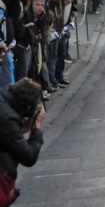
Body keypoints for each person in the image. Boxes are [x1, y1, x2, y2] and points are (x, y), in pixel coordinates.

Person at [0, 78, 46, 206]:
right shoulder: (7, 118)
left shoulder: (3, 104)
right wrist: (36, 127)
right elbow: (28, 157)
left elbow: (6, 136)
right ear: (28, 107)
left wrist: (20, 129)